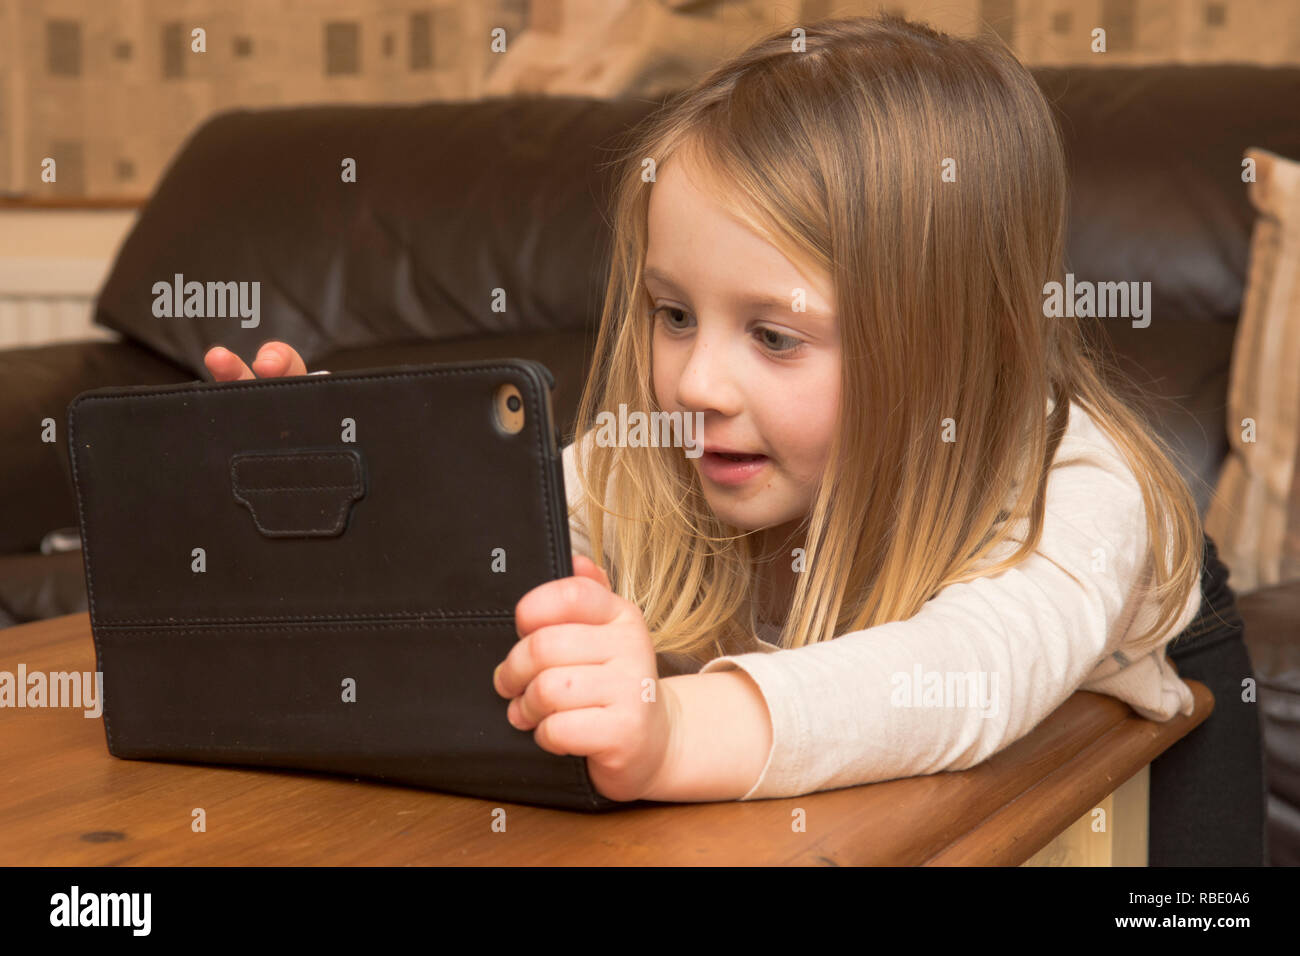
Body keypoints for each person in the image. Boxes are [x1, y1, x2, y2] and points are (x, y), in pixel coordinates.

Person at [204, 13, 1264, 864]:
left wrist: (669, 732)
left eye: (772, 333)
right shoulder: (659, 450)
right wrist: (340, 495)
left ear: (953, 347)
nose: (697, 380)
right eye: (673, 314)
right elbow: (493, 529)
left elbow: (962, 680)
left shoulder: (1075, 484)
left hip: (1138, 746)